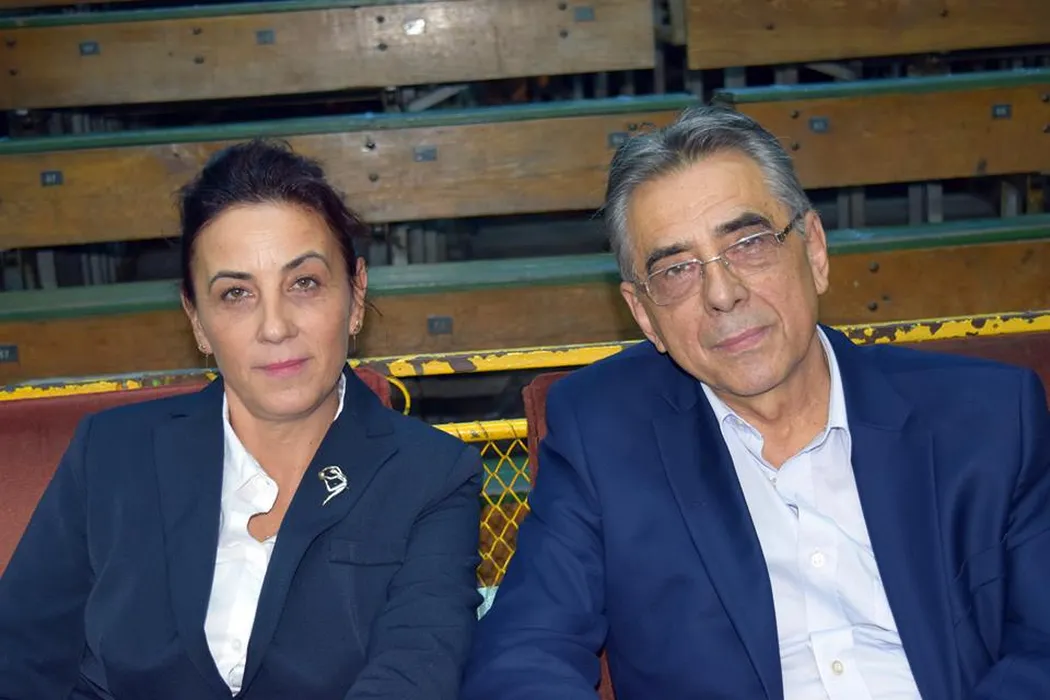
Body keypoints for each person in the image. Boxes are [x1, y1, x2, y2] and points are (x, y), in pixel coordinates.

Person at [461, 106, 1050, 699]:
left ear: (814, 251)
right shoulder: (603, 433)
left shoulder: (988, 419)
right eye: (676, 271)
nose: (722, 293)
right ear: (644, 315)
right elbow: (522, 658)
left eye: (748, 244)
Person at [0, 139, 483, 700]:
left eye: (304, 283)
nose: (275, 327)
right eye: (235, 294)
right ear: (197, 320)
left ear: (355, 297)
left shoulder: (432, 475)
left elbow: (413, 674)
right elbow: (20, 660)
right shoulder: (111, 453)